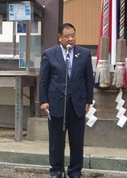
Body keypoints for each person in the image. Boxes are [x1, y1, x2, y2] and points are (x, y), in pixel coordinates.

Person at [39, 23, 94, 178]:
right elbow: (43, 80)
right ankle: (56, 170)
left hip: (77, 103)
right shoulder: (49, 54)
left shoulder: (83, 53)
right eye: (67, 36)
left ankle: (75, 171)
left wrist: (88, 100)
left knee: (77, 141)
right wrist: (43, 101)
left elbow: (88, 78)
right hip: (56, 103)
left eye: (73, 36)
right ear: (59, 37)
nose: (71, 39)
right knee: (56, 141)